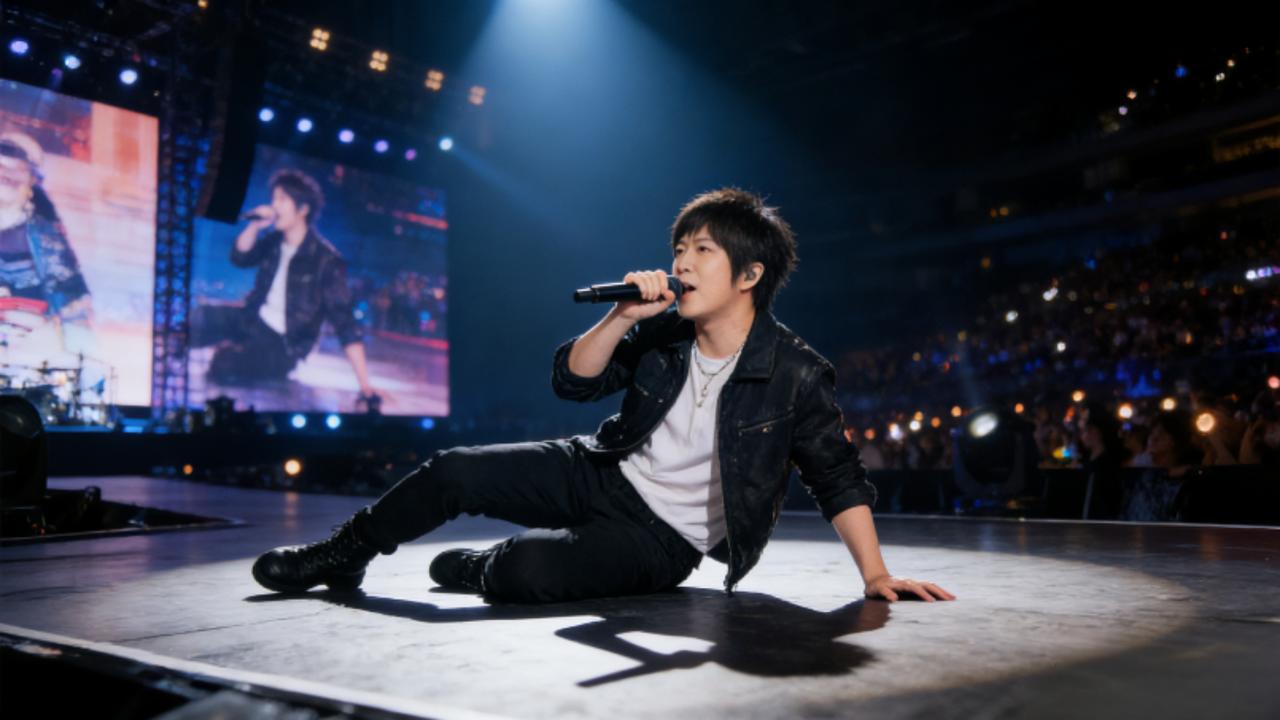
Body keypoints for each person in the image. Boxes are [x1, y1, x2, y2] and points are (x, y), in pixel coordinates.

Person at [252, 188, 955, 605]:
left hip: (663, 538)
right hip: (602, 468)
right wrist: (622, 317)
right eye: (681, 246)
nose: (681, 261)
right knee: (453, 469)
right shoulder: (664, 333)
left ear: (749, 275)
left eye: (703, 250)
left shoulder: (796, 371)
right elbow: (575, 380)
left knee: (527, 568)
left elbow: (837, 476)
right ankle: (344, 554)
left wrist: (876, 575)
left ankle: (487, 568)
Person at [190, 169, 378, 406]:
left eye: (282, 199)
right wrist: (255, 225)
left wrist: (365, 385)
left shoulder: (326, 261)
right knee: (201, 317)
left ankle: (239, 353)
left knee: (225, 365)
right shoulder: (274, 241)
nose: (274, 205)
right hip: (253, 320)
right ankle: (175, 351)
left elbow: (345, 324)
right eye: (274, 199)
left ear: (303, 209)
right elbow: (240, 257)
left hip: (284, 343)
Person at [0, 132, 93, 337]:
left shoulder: (47, 238)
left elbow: (72, 306)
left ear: (32, 183)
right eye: (1, 167)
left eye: (18, 170)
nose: (6, 174)